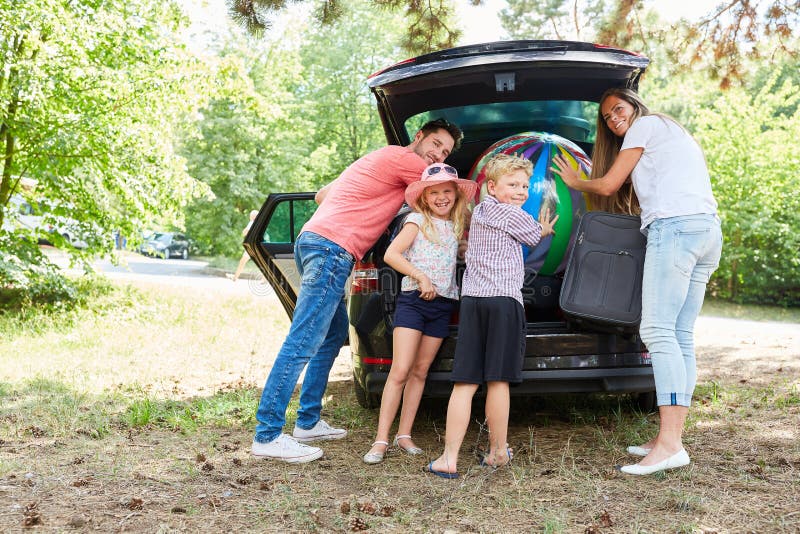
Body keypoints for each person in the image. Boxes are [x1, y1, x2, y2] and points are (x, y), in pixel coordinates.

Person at [251, 118, 464, 463]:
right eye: (435, 144)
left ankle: (307, 422)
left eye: (445, 151)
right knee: (303, 340)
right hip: (333, 249)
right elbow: (441, 196)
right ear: (420, 136)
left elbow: (323, 195)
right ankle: (268, 434)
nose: (437, 155)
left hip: (313, 240)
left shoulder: (376, 159)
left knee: (332, 334)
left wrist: (375, 202)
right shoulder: (407, 161)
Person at [552, 88, 722, 475]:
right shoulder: (669, 130)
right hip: (706, 230)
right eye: (608, 118)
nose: (614, 120)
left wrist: (577, 182)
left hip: (676, 230)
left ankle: (670, 444)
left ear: (635, 105)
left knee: (659, 332)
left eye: (618, 110)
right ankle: (669, 437)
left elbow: (609, 185)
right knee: (679, 334)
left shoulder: (644, 125)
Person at [424, 153, 558, 478]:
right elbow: (531, 236)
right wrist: (545, 228)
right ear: (493, 187)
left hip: (473, 302)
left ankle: (448, 458)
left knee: (465, 381)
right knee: (498, 381)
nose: (522, 191)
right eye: (513, 184)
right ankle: (498, 452)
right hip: (503, 303)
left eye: (525, 185)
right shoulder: (515, 215)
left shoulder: (480, 211)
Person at [362, 163, 477, 465]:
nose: (441, 197)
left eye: (447, 192)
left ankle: (404, 435)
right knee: (400, 370)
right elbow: (391, 255)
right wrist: (421, 276)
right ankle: (381, 440)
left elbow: (451, 253)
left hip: (442, 305)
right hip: (414, 301)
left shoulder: (454, 226)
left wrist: (463, 249)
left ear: (456, 195)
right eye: (435, 192)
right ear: (424, 198)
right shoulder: (415, 220)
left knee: (420, 372)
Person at [231, 210, 259, 282]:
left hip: (251, 246)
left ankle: (235, 277)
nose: (250, 217)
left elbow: (244, 232)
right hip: (256, 245)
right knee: (262, 263)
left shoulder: (252, 222)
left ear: (253, 216)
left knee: (242, 261)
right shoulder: (259, 223)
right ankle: (264, 279)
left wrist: (244, 231)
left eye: (251, 215)